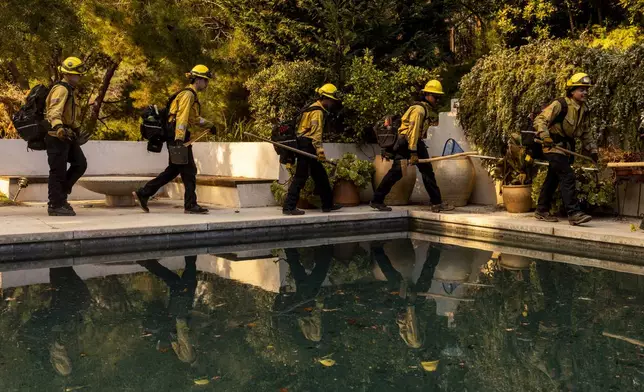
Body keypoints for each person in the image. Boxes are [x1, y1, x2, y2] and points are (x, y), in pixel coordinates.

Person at [134, 65, 217, 214]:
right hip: (178, 136)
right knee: (189, 170)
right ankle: (190, 205)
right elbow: (182, 118)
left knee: (173, 170)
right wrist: (179, 139)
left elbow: (193, 118)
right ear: (197, 79)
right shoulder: (189, 95)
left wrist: (210, 125)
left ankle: (144, 193)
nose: (206, 84)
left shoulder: (189, 95)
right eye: (205, 80)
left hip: (176, 135)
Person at [370, 80, 454, 213]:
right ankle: (377, 200)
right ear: (427, 94)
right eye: (435, 96)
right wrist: (414, 151)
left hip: (410, 143)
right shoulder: (419, 110)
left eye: (438, 97)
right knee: (403, 173)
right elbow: (413, 132)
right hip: (408, 143)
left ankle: (377, 200)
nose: (437, 100)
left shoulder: (423, 108)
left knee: (418, 172)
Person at [534, 73, 598, 226]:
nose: (585, 93)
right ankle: (574, 213)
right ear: (571, 91)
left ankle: (541, 209)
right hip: (552, 146)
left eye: (586, 90)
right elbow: (540, 120)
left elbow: (586, 132)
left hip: (566, 149)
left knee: (553, 177)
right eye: (581, 89)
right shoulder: (560, 104)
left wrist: (592, 150)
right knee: (567, 175)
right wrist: (545, 136)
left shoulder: (584, 110)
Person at [282, 84, 342, 216]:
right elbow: (316, 134)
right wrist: (319, 151)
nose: (332, 103)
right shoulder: (317, 112)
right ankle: (288, 206)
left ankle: (328, 204)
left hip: (305, 143)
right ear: (325, 98)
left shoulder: (310, 107)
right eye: (331, 100)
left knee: (320, 176)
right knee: (300, 176)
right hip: (308, 145)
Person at [45, 57, 88, 216]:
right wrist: (59, 127)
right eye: (77, 73)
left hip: (67, 136)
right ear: (68, 74)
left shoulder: (71, 90)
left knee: (80, 164)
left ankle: (61, 195)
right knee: (57, 171)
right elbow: (54, 111)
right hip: (56, 136)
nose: (80, 76)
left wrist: (77, 130)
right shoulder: (61, 89)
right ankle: (55, 205)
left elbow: (70, 116)